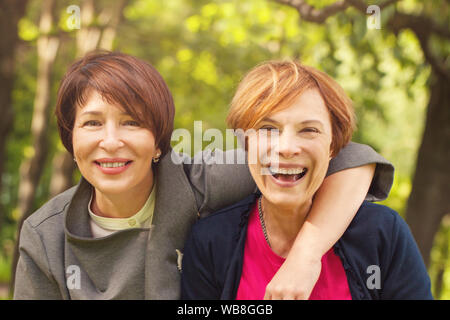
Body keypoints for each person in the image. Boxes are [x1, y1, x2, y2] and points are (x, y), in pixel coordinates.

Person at [14, 52, 394, 299]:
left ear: (160, 142)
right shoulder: (45, 235)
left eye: (132, 123)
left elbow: (351, 158)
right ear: (71, 138)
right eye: (92, 123)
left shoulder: (197, 183)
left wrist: (305, 256)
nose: (111, 142)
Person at [181, 60, 433, 300]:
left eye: (309, 130)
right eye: (268, 129)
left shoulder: (381, 233)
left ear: (333, 146)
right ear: (246, 142)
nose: (287, 148)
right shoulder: (211, 242)